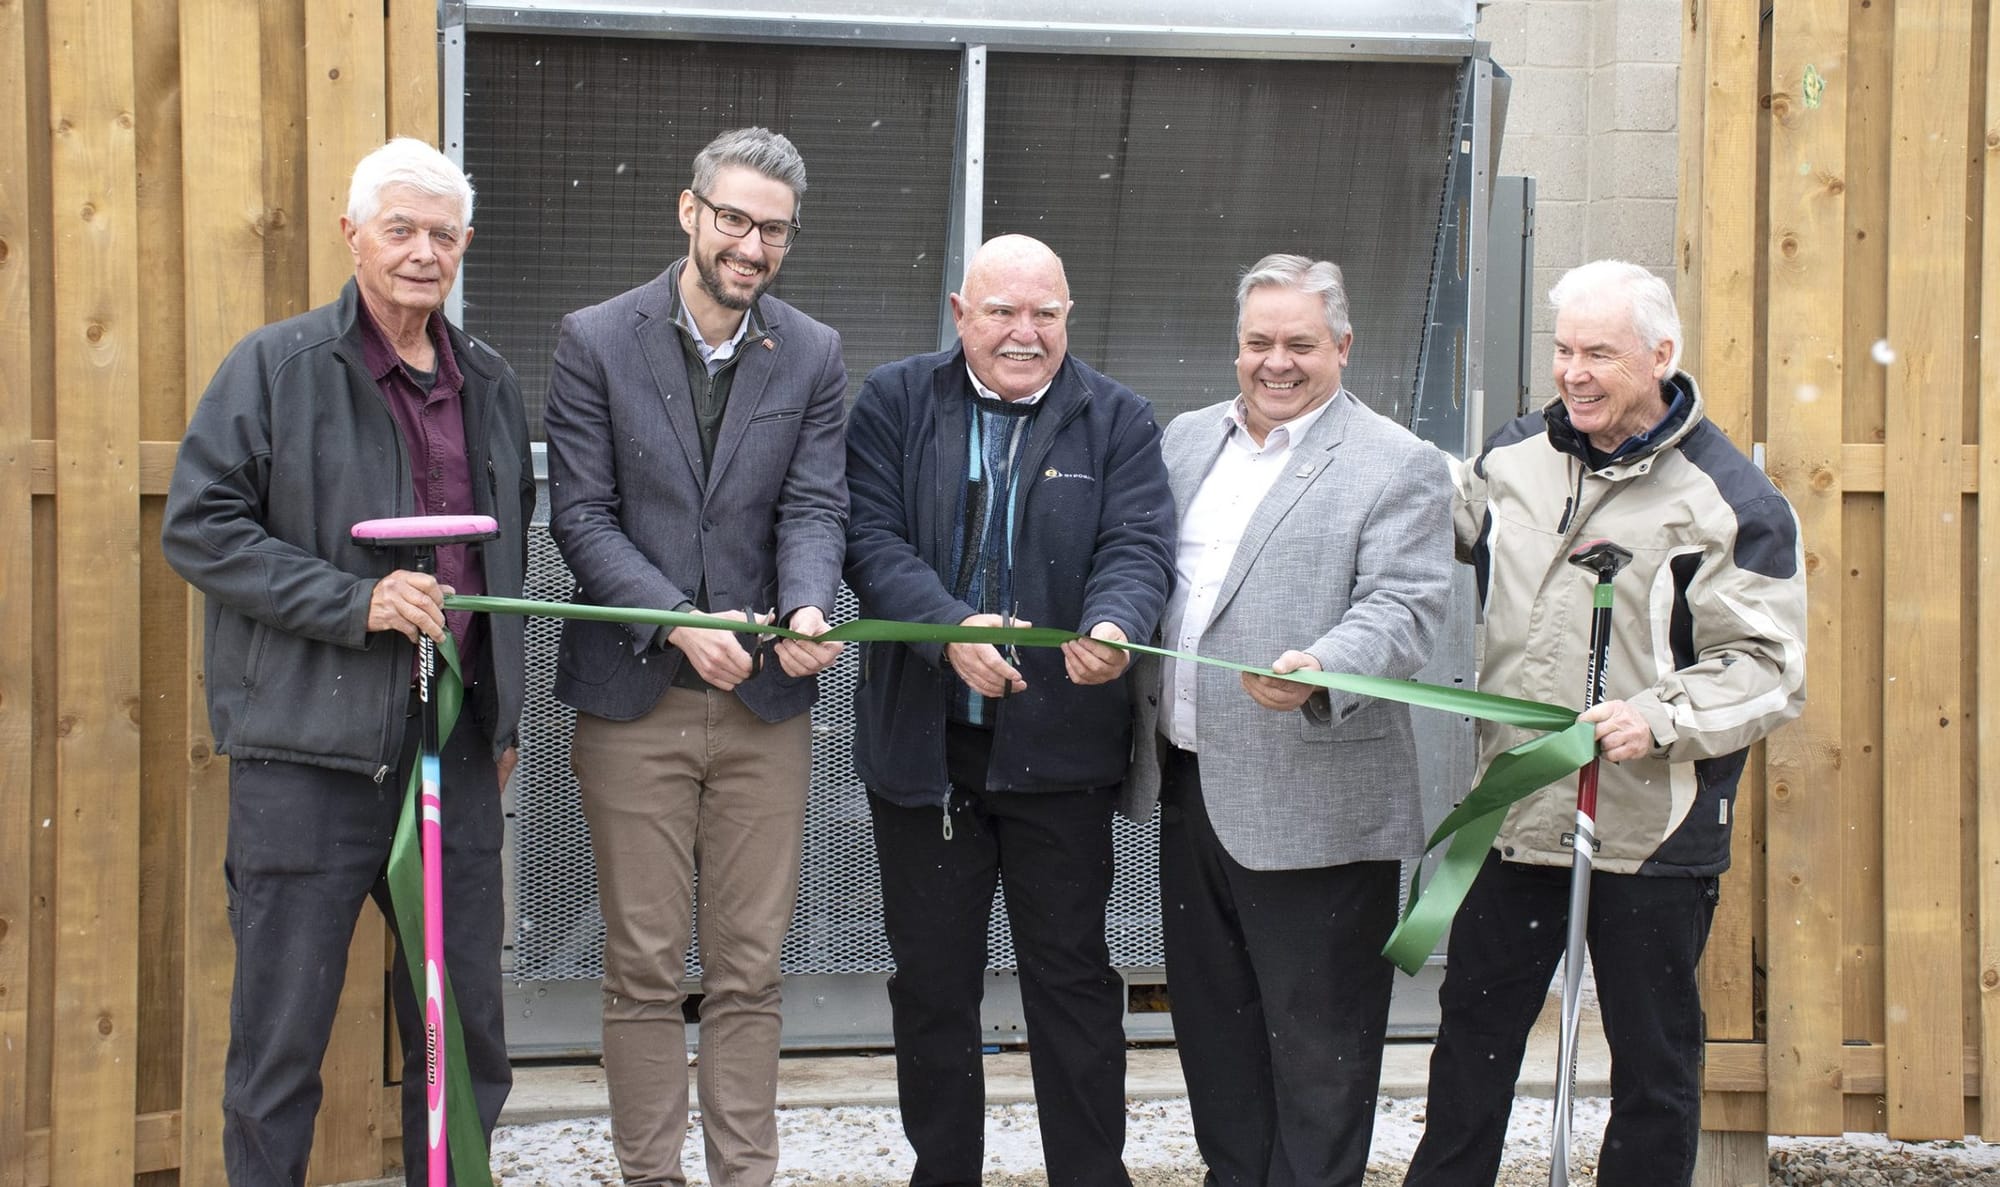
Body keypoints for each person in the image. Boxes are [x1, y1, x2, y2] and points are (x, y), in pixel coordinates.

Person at [161, 137, 533, 1185]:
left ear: (464, 245)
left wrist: (497, 719)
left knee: (462, 1036)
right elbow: (201, 527)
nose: (423, 252)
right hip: (308, 758)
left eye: (442, 234)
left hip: (449, 760)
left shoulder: (490, 382)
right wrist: (353, 601)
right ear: (352, 235)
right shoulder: (276, 369)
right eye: (400, 228)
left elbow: (501, 541)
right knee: (280, 1043)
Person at [1402, 259, 1807, 1187]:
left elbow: (1769, 665)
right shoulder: (1514, 460)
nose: (1574, 373)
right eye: (1563, 350)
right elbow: (1423, 521)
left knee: (1654, 1065)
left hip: (1650, 828)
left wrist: (1660, 714)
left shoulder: (1730, 499)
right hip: (1514, 811)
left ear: (1662, 356)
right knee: (1473, 1042)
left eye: (1599, 354)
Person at [541, 126, 847, 1187]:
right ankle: (650, 1174)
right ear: (690, 211)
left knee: (751, 968)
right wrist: (676, 618)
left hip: (764, 708)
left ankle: (742, 1174)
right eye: (734, 219)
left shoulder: (809, 350)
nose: (750, 246)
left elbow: (813, 504)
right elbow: (580, 516)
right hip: (634, 701)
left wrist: (807, 605)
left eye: (772, 229)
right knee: (640, 964)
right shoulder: (594, 338)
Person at [844, 233, 1175, 1187]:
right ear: (960, 314)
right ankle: (942, 1173)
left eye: (1045, 313)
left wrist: (1115, 623)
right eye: (1001, 311)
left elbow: (1138, 543)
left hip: (1059, 756)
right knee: (933, 989)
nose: (1023, 333)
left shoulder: (1117, 418)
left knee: (1070, 984)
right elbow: (868, 539)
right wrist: (948, 626)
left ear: (1069, 315)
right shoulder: (897, 401)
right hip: (925, 755)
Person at [1118, 254, 1454, 1187]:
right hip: (1190, 789)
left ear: (1342, 346)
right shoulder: (1185, 441)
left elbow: (1406, 607)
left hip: (1319, 807)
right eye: (1258, 342)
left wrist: (1323, 666)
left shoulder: (1397, 463)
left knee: (1319, 1060)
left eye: (1300, 343)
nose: (1277, 362)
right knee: (1216, 1044)